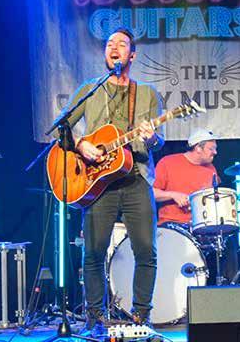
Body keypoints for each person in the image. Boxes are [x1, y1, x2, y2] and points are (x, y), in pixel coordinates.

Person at [61, 27, 163, 333]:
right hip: (97, 182)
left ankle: (141, 316)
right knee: (93, 251)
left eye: (121, 43)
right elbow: (62, 128)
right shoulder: (90, 89)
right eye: (109, 44)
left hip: (136, 177)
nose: (114, 47)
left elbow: (158, 141)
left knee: (145, 250)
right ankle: (95, 317)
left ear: (132, 55)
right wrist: (81, 145)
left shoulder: (146, 93)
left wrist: (152, 137)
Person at [152, 128, 237, 284]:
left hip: (201, 228)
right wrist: (173, 195)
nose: (215, 153)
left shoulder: (211, 169)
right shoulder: (168, 162)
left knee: (229, 241)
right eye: (211, 149)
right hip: (172, 227)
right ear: (198, 148)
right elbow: (151, 192)